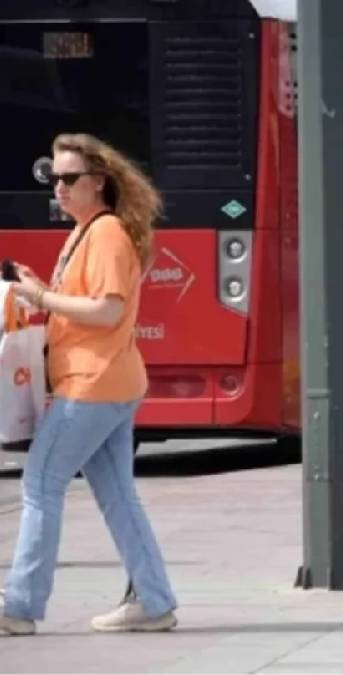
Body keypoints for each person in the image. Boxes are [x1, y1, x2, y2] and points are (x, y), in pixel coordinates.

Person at [1, 134, 178, 636]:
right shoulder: (87, 231)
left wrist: (42, 298)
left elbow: (108, 310)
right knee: (118, 495)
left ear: (98, 182)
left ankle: (18, 608)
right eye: (54, 177)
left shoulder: (106, 234)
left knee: (40, 484)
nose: (59, 187)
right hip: (112, 382)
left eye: (69, 178)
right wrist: (40, 291)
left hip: (92, 385)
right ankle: (153, 601)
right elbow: (89, 304)